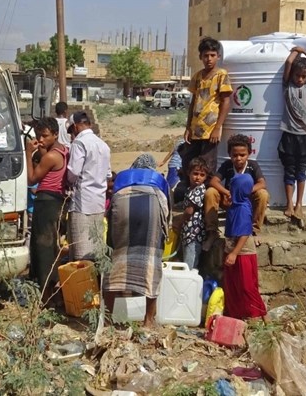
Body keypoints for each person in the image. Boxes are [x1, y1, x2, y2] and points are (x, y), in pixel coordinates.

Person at [104, 154, 171, 327]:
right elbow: (167, 213)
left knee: (117, 260)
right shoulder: (159, 180)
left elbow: (110, 212)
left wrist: (112, 241)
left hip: (123, 204)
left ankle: (108, 318)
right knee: (151, 262)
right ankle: (148, 320)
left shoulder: (123, 178)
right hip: (153, 205)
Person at [25, 117, 69, 304]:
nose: (40, 140)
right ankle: (51, 291)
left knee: (43, 248)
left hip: (46, 201)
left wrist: (28, 153)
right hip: (57, 201)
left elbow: (32, 179)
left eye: (44, 136)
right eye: (38, 136)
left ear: (56, 134)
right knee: (52, 247)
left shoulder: (51, 157)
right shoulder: (63, 150)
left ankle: (45, 295)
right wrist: (41, 148)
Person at [204, 134, 269, 250]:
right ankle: (212, 232)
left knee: (263, 194)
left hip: (245, 203)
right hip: (229, 201)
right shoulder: (227, 165)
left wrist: (246, 191)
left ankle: (254, 231)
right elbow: (213, 181)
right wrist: (226, 192)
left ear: (249, 154)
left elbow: (262, 183)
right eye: (235, 155)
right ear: (229, 155)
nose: (238, 158)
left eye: (242, 155)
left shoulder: (252, 166)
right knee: (210, 192)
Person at [279, 46, 306, 221]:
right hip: (288, 135)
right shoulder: (287, 85)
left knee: (301, 172)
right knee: (289, 171)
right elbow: (289, 62)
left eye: (304, 76)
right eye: (298, 75)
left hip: (305, 137)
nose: (301, 79)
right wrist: (296, 51)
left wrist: (304, 51)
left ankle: (299, 204)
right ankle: (289, 204)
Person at [181, 37, 233, 176]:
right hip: (195, 129)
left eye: (212, 55)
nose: (209, 59)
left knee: (207, 166)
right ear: (200, 57)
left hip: (210, 130)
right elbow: (193, 103)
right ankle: (189, 194)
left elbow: (226, 102)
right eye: (205, 56)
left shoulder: (221, 75)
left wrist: (217, 128)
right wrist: (188, 128)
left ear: (218, 56)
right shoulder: (197, 76)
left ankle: (206, 196)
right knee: (188, 164)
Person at [65, 111, 111, 262]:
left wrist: (66, 181)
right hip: (98, 202)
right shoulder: (103, 145)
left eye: (71, 131)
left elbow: (73, 173)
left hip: (82, 202)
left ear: (76, 127)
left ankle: (81, 283)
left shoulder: (79, 143)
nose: (72, 135)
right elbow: (108, 175)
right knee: (95, 246)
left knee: (80, 249)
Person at [222, 174, 268, 321]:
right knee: (233, 286)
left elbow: (244, 233)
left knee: (247, 287)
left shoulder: (242, 209)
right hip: (233, 249)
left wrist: (234, 253)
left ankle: (261, 317)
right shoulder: (239, 204)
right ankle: (237, 315)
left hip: (242, 253)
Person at [178, 158, 209, 270]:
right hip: (188, 233)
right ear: (188, 173)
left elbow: (189, 211)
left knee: (189, 266)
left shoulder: (199, 190)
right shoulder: (189, 189)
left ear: (205, 177)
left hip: (194, 234)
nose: (198, 177)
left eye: (202, 175)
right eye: (195, 173)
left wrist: (179, 223)